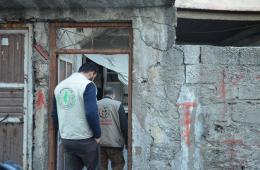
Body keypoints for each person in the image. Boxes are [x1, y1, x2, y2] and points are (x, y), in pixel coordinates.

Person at [52, 62, 101, 170]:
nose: (93, 79)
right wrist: (98, 135)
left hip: (67, 139)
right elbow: (91, 112)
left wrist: (62, 133)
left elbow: (55, 115)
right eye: (94, 77)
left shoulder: (59, 86)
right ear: (91, 73)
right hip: (85, 139)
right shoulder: (88, 85)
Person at [97, 87, 128, 170]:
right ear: (113, 95)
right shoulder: (117, 104)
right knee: (118, 165)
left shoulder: (96, 104)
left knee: (101, 167)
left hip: (100, 143)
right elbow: (124, 126)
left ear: (104, 94)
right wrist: (127, 142)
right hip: (115, 144)